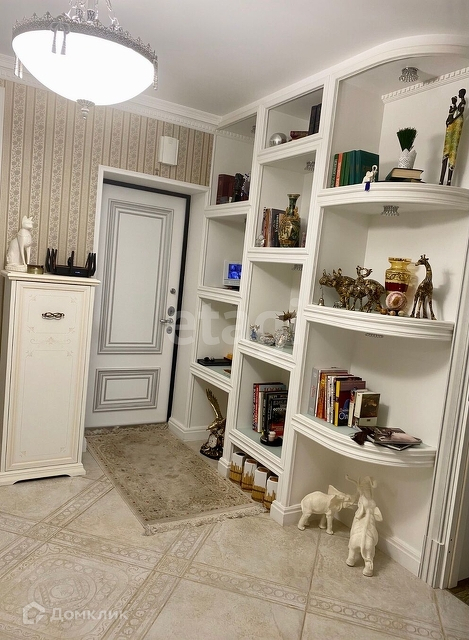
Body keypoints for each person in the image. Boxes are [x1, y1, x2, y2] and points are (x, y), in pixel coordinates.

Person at [440, 88, 466, 186]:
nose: (458, 95)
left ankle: (448, 180)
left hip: (457, 125)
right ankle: (441, 180)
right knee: (446, 151)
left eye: (460, 94)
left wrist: (453, 120)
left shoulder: (463, 102)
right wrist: (450, 120)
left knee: (453, 151)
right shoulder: (454, 107)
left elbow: (461, 112)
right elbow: (450, 116)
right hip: (451, 126)